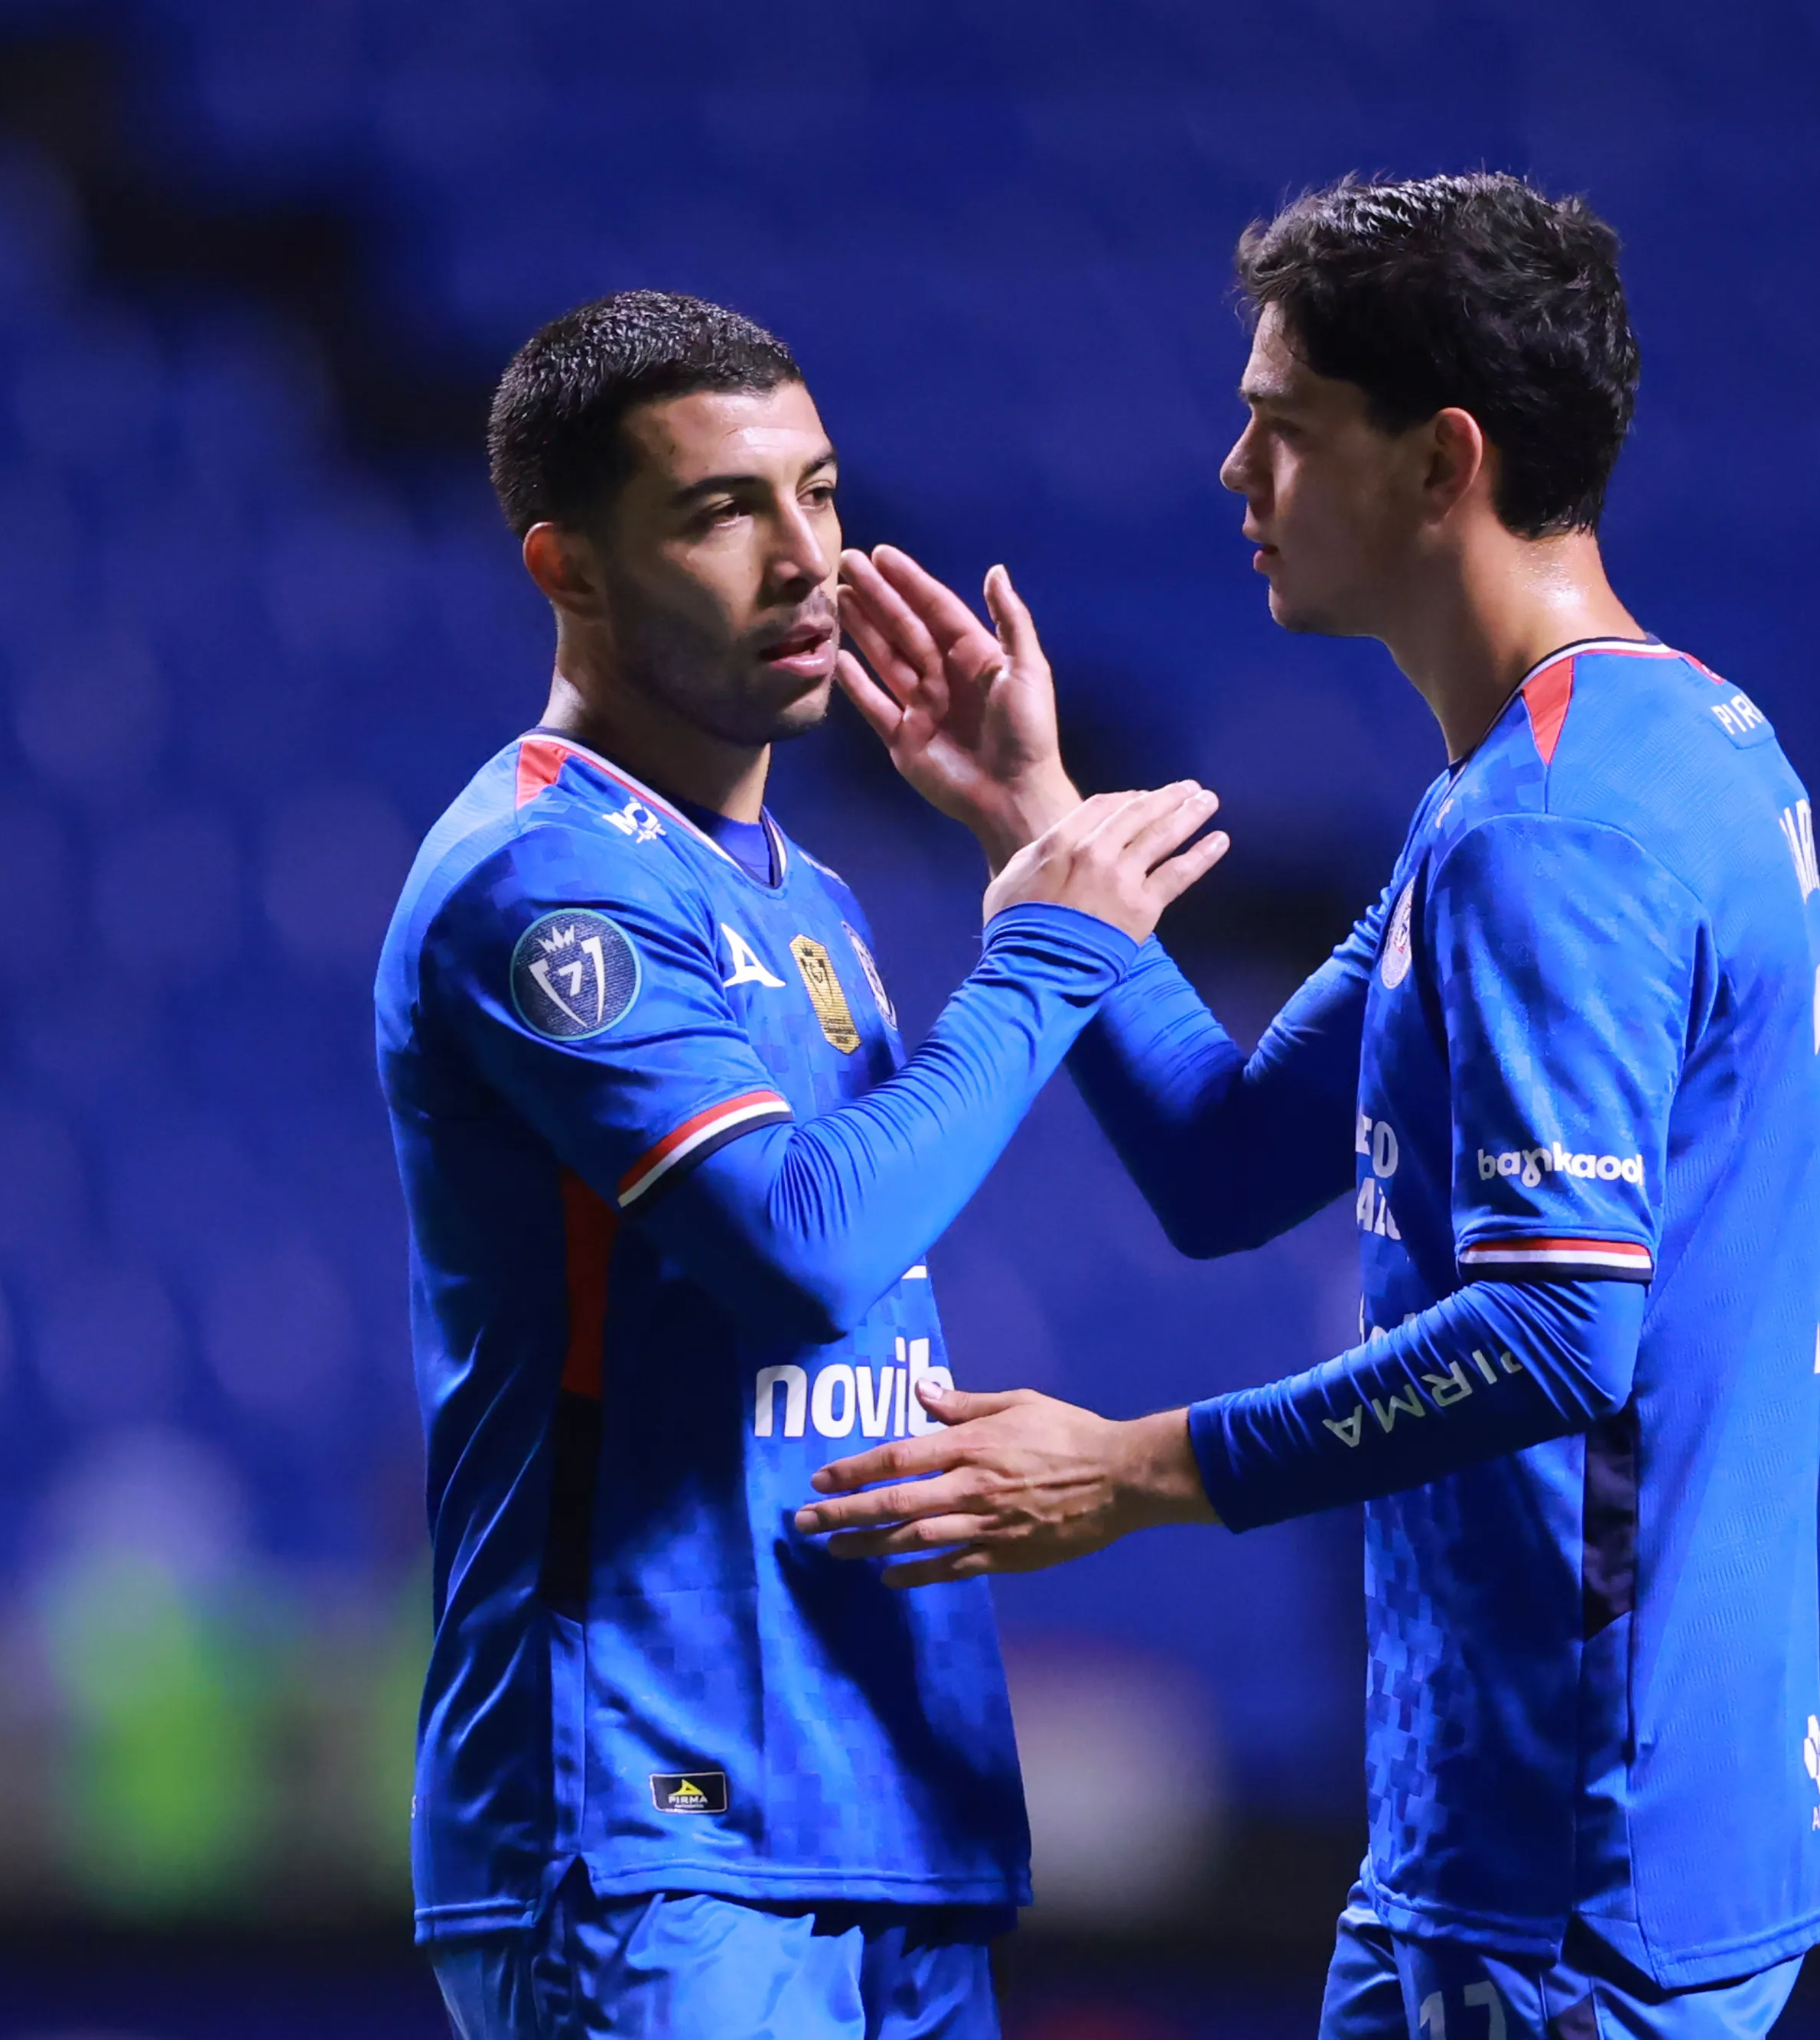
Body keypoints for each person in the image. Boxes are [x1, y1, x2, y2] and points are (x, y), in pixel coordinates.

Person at [807, 174, 1820, 2037]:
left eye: (1281, 425)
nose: (1234, 470)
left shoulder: (1547, 831)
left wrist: (1126, 1472)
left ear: (1440, 460)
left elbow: (1553, 1330)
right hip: (1538, 1838)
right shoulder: (1642, 752)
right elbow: (1225, 1160)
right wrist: (1037, 824)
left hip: (1564, 1874)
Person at [376, 289, 1227, 2038]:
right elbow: (796, 1244)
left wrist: (1025, 830)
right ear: (566, 568)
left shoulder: (806, 897)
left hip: (878, 1805)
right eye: (720, 511)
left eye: (820, 493)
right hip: (654, 1824)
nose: (804, 560)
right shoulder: (540, 883)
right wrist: (1046, 952)